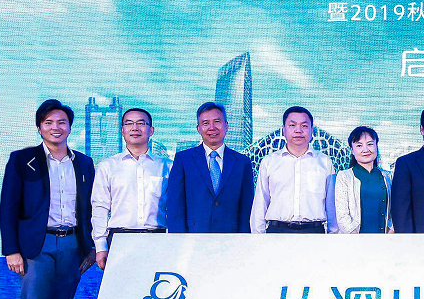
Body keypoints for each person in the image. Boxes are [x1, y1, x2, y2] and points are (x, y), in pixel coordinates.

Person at [0, 100, 96, 299]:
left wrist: (91, 247)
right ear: (39, 127)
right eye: (48, 122)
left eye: (61, 122)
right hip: (36, 246)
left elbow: (90, 208)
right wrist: (11, 250)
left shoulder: (84, 163)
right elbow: (8, 206)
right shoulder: (23, 159)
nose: (56, 127)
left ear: (70, 127)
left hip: (73, 244)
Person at [91, 108, 171, 270]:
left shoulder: (167, 166)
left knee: (157, 284)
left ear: (151, 130)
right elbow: (100, 207)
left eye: (141, 123)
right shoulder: (107, 166)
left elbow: (174, 207)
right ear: (122, 130)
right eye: (129, 124)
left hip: (158, 239)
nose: (135, 128)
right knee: (120, 285)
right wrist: (100, 246)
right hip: (119, 240)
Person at [167, 102, 254, 233]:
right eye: (205, 123)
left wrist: (244, 238)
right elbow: (175, 204)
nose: (212, 128)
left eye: (217, 122)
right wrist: (177, 239)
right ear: (198, 128)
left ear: (226, 126)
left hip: (231, 237)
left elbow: (247, 206)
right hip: (192, 237)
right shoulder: (183, 159)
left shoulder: (242, 162)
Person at [251, 106, 336, 233]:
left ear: (312, 130)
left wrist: (334, 235)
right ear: (284, 129)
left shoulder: (324, 162)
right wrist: (258, 237)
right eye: (292, 125)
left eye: (304, 126)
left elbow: (331, 204)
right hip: (277, 232)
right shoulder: (269, 162)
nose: (298, 130)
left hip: (314, 232)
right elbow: (260, 202)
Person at [333, 126, 392, 233]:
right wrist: (357, 238)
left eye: (370, 144)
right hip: (354, 239)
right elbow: (342, 215)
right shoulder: (344, 177)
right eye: (359, 145)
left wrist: (390, 231)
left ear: (376, 146)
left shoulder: (388, 176)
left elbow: (396, 210)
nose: (366, 150)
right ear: (352, 150)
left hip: (385, 238)